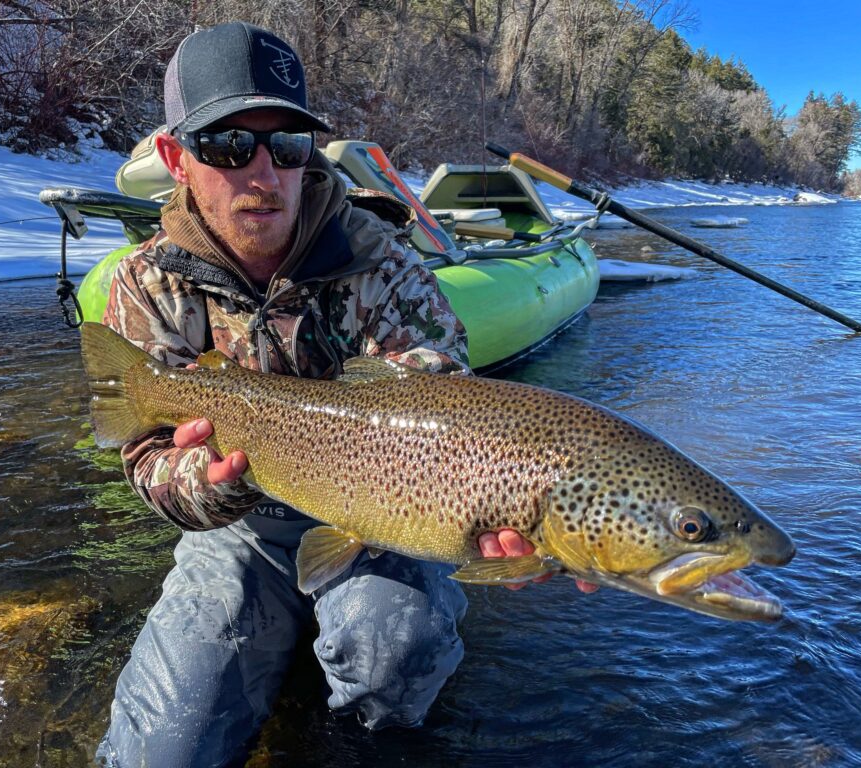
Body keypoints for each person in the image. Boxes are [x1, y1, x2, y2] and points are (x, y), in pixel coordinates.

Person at [95, 21, 595, 768]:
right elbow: (145, 463)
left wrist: (506, 513)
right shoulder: (147, 286)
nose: (264, 175)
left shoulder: (383, 266)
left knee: (398, 657)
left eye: (288, 147)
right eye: (230, 146)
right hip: (239, 535)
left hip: (384, 517)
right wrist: (206, 482)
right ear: (175, 158)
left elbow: (441, 405)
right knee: (160, 755)